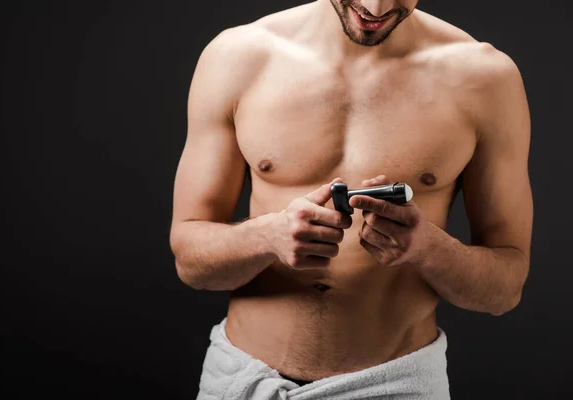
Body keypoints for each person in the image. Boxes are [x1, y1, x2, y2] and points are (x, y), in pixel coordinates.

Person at [169, 0, 533, 398]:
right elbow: (190, 263)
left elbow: (505, 288)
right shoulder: (237, 57)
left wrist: (429, 248)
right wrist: (266, 237)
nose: (376, 7)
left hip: (397, 385)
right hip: (243, 379)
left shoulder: (485, 79)